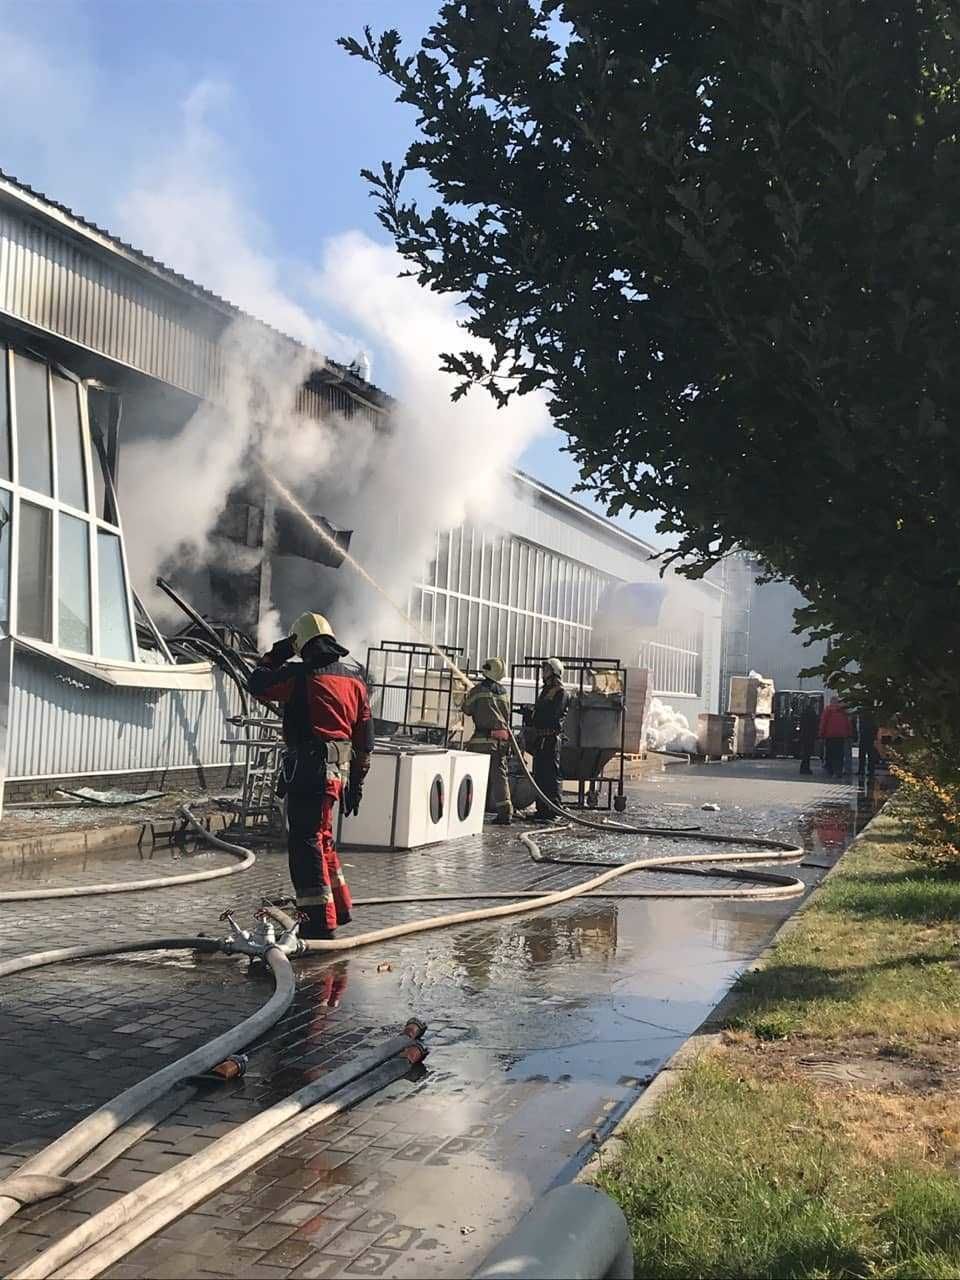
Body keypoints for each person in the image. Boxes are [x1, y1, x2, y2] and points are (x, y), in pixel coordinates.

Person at [247, 611, 373, 940]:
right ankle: (339, 908)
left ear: (301, 644)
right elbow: (365, 739)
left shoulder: (300, 675)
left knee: (305, 843)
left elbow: (257, 684)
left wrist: (278, 653)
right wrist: (357, 780)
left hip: (309, 771)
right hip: (338, 773)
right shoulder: (356, 679)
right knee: (322, 838)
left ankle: (318, 920)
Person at [462, 657, 514, 825]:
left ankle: (472, 810)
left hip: (481, 741)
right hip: (501, 742)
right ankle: (506, 813)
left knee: (473, 775)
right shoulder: (504, 693)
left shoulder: (478, 690)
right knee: (500, 777)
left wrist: (465, 695)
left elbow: (467, 709)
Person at [529, 657, 570, 821]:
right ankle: (541, 810)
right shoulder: (545, 691)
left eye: (546, 670)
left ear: (554, 672)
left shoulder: (561, 692)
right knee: (539, 774)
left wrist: (537, 716)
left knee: (551, 775)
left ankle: (554, 809)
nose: (543, 673)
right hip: (540, 738)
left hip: (551, 739)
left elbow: (554, 715)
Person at [818, 695, 853, 778]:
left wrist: (821, 734)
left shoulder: (827, 710)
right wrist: (849, 734)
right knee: (839, 754)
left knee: (830, 753)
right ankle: (838, 771)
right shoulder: (843, 711)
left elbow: (823, 723)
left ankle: (830, 770)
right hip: (841, 736)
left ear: (831, 702)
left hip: (829, 736)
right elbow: (848, 724)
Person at [798, 699, 819, 774]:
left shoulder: (805, 711)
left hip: (804, 735)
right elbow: (814, 724)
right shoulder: (812, 712)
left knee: (805, 752)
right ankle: (805, 768)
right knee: (807, 753)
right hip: (809, 735)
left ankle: (804, 768)